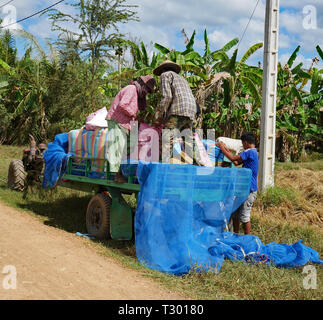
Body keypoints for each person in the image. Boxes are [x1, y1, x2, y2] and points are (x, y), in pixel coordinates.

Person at [106, 75, 155, 182]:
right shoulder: (131, 89)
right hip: (117, 121)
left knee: (127, 148)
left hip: (125, 124)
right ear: (142, 85)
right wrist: (134, 115)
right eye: (146, 89)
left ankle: (123, 172)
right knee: (117, 148)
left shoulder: (137, 93)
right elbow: (123, 105)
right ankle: (116, 175)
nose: (146, 92)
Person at [153, 60, 197, 163]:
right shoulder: (182, 78)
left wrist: (159, 115)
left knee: (167, 139)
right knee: (188, 143)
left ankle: (164, 168)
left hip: (178, 110)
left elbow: (167, 96)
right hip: (191, 110)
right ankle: (196, 166)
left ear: (162, 70)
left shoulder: (165, 75)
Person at [216, 132, 258, 234]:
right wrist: (225, 148)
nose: (242, 146)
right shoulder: (251, 152)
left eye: (243, 143)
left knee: (244, 216)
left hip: (250, 190)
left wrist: (222, 147)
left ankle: (248, 238)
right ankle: (235, 234)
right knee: (235, 212)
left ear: (246, 143)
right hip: (243, 189)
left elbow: (232, 158)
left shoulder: (250, 152)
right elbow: (236, 162)